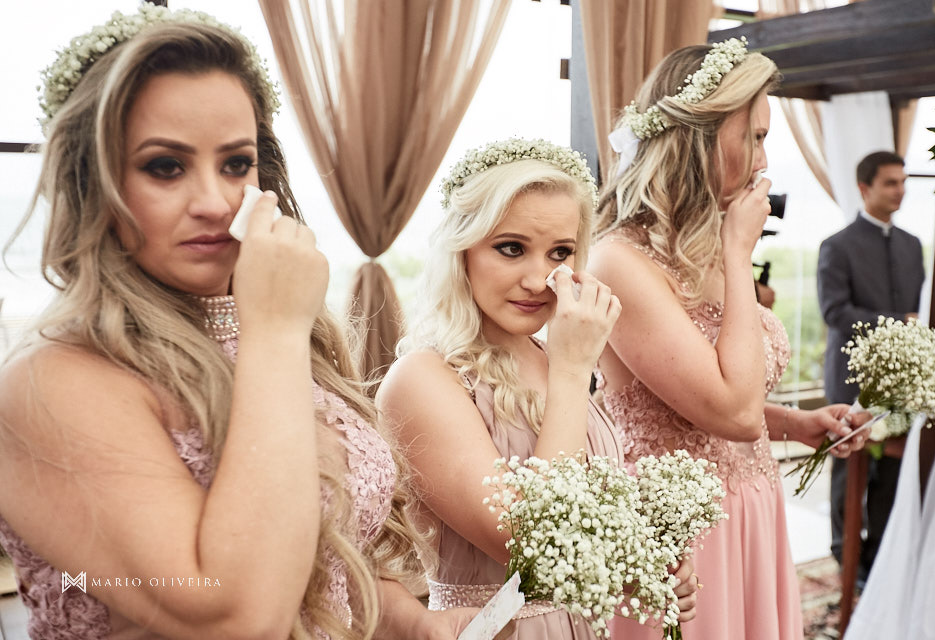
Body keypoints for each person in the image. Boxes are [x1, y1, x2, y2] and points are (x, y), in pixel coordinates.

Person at [0, 7, 473, 639]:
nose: (217, 203)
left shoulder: (266, 334)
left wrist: (411, 621)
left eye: (235, 164)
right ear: (93, 181)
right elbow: (237, 617)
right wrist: (275, 330)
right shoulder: (53, 383)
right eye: (165, 166)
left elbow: (314, 557)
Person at [588, 38, 872, 640]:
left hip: (749, 504)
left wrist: (796, 423)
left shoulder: (703, 244)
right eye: (759, 136)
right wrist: (739, 255)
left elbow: (706, 398)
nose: (766, 161)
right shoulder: (619, 260)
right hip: (681, 532)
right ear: (702, 136)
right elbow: (732, 410)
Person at [375, 139, 698, 639]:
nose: (537, 279)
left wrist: (644, 567)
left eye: (560, 253)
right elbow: (534, 546)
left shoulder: (557, 358)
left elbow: (586, 537)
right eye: (511, 248)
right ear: (462, 248)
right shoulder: (422, 379)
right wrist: (573, 369)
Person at [817, 150, 924, 584]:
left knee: (892, 472)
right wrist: (898, 324)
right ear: (865, 188)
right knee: (849, 470)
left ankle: (880, 559)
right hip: (851, 381)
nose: (900, 190)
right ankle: (847, 560)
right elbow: (835, 313)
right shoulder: (836, 246)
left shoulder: (912, 245)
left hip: (902, 383)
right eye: (890, 183)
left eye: (902, 181)